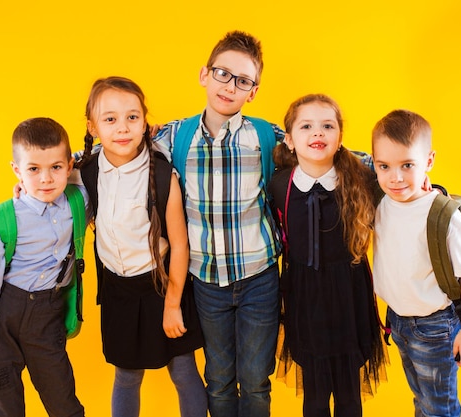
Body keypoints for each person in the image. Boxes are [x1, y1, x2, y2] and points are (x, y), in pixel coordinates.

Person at [152, 30, 285, 417]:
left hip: (259, 277)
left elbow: (328, 150)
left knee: (256, 380)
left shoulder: (266, 136)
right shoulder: (176, 136)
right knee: (220, 379)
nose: (230, 86)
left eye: (243, 81)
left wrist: (399, 175)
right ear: (204, 75)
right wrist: (56, 175)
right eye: (223, 74)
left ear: (253, 91)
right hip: (205, 281)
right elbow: (118, 148)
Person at [75, 76, 207, 417]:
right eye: (110, 119)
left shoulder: (162, 174)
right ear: (92, 125)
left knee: (182, 369)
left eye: (132, 117)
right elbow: (49, 173)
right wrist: (23, 190)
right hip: (118, 289)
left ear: (146, 122)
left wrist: (173, 304)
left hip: (163, 285)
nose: (122, 128)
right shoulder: (84, 170)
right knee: (127, 374)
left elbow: (179, 245)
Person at [270, 94, 387, 417]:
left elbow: (402, 191)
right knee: (315, 394)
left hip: (350, 294)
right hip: (304, 295)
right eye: (306, 126)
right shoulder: (280, 184)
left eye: (327, 126)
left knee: (350, 393)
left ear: (339, 138)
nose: (317, 133)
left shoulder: (362, 178)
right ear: (290, 140)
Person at [0, 117, 87, 417]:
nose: (46, 179)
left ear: (69, 167)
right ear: (17, 171)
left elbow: (98, 161)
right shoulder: (1, 218)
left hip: (47, 316)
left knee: (63, 401)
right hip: (4, 315)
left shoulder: (79, 200)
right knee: (5, 404)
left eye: (56, 167)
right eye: (33, 169)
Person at [371, 109, 461, 417]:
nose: (395, 177)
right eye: (384, 166)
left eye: (408, 165)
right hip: (398, 321)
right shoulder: (383, 201)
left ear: (428, 162)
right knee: (422, 400)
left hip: (434, 327)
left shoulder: (444, 217)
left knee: (438, 408)